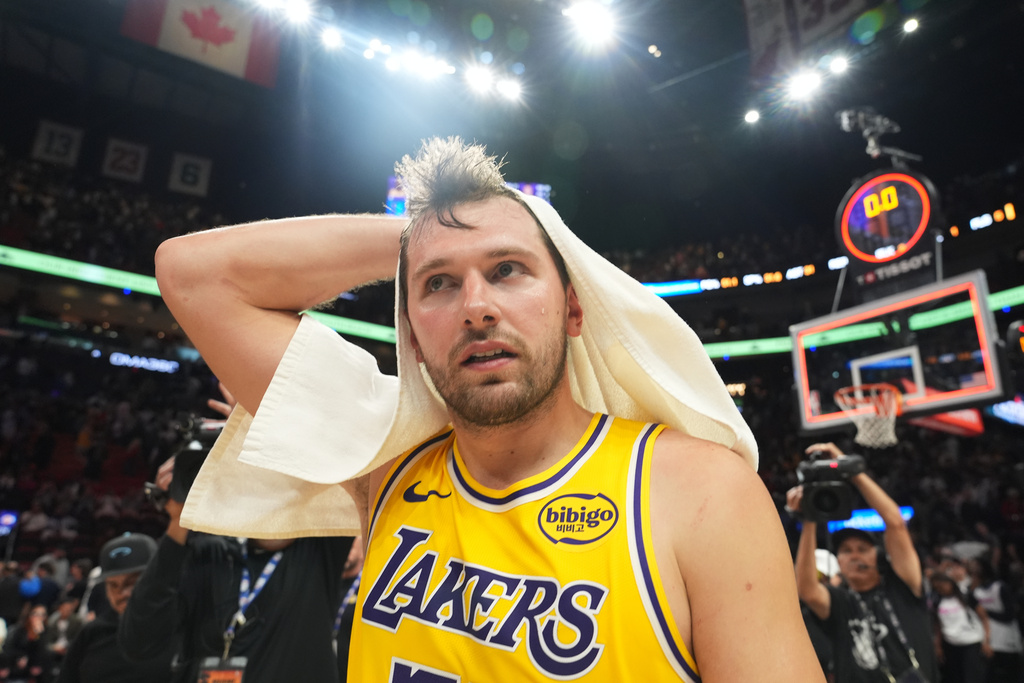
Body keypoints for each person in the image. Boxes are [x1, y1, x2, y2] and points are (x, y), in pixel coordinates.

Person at [155, 136, 822, 681]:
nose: (476, 305)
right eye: (439, 283)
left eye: (507, 269)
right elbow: (194, 274)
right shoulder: (386, 459)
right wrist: (417, 235)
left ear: (573, 306)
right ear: (411, 336)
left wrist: (453, 239)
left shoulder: (700, 493)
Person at [118, 455, 352, 682]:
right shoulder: (211, 556)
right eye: (264, 487)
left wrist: (258, 422)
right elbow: (140, 643)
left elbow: (343, 459)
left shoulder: (318, 551)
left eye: (286, 490)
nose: (276, 501)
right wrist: (179, 519)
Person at [789, 442, 939, 683]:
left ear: (877, 555)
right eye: (846, 551)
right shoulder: (841, 601)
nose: (855, 555)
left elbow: (896, 523)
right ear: (838, 561)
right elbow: (807, 589)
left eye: (862, 549)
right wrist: (809, 519)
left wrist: (853, 471)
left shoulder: (902, 585)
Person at [57, 533, 174, 683]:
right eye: (113, 585)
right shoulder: (92, 634)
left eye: (133, 582)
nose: (122, 593)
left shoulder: (185, 630)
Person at [930, 571, 991, 683]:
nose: (940, 589)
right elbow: (937, 626)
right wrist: (938, 646)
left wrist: (987, 641)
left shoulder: (966, 596)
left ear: (950, 583)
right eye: (936, 587)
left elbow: (984, 618)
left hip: (971, 643)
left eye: (942, 585)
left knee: (972, 677)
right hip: (951, 645)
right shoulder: (937, 601)